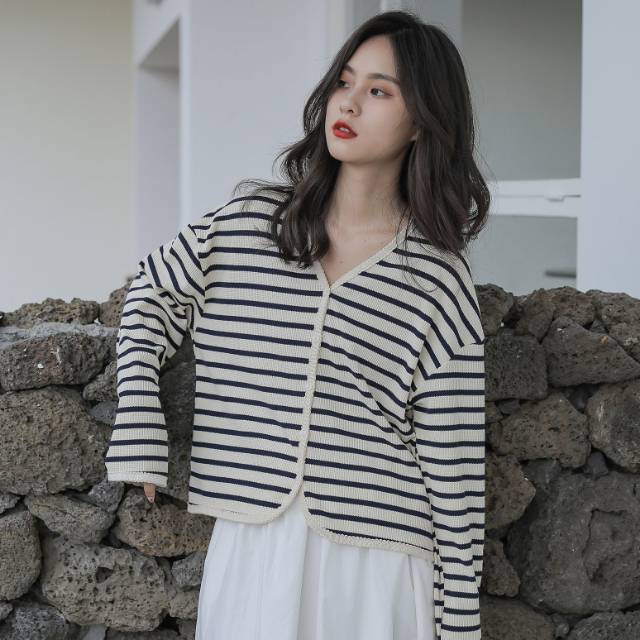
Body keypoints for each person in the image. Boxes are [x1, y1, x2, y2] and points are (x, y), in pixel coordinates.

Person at [105, 9, 489, 640]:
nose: (350, 103)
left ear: (422, 121)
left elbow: (456, 476)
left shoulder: (436, 279)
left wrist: (459, 626)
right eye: (344, 81)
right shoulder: (249, 223)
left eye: (380, 91)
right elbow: (151, 293)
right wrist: (140, 419)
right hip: (251, 548)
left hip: (378, 570)